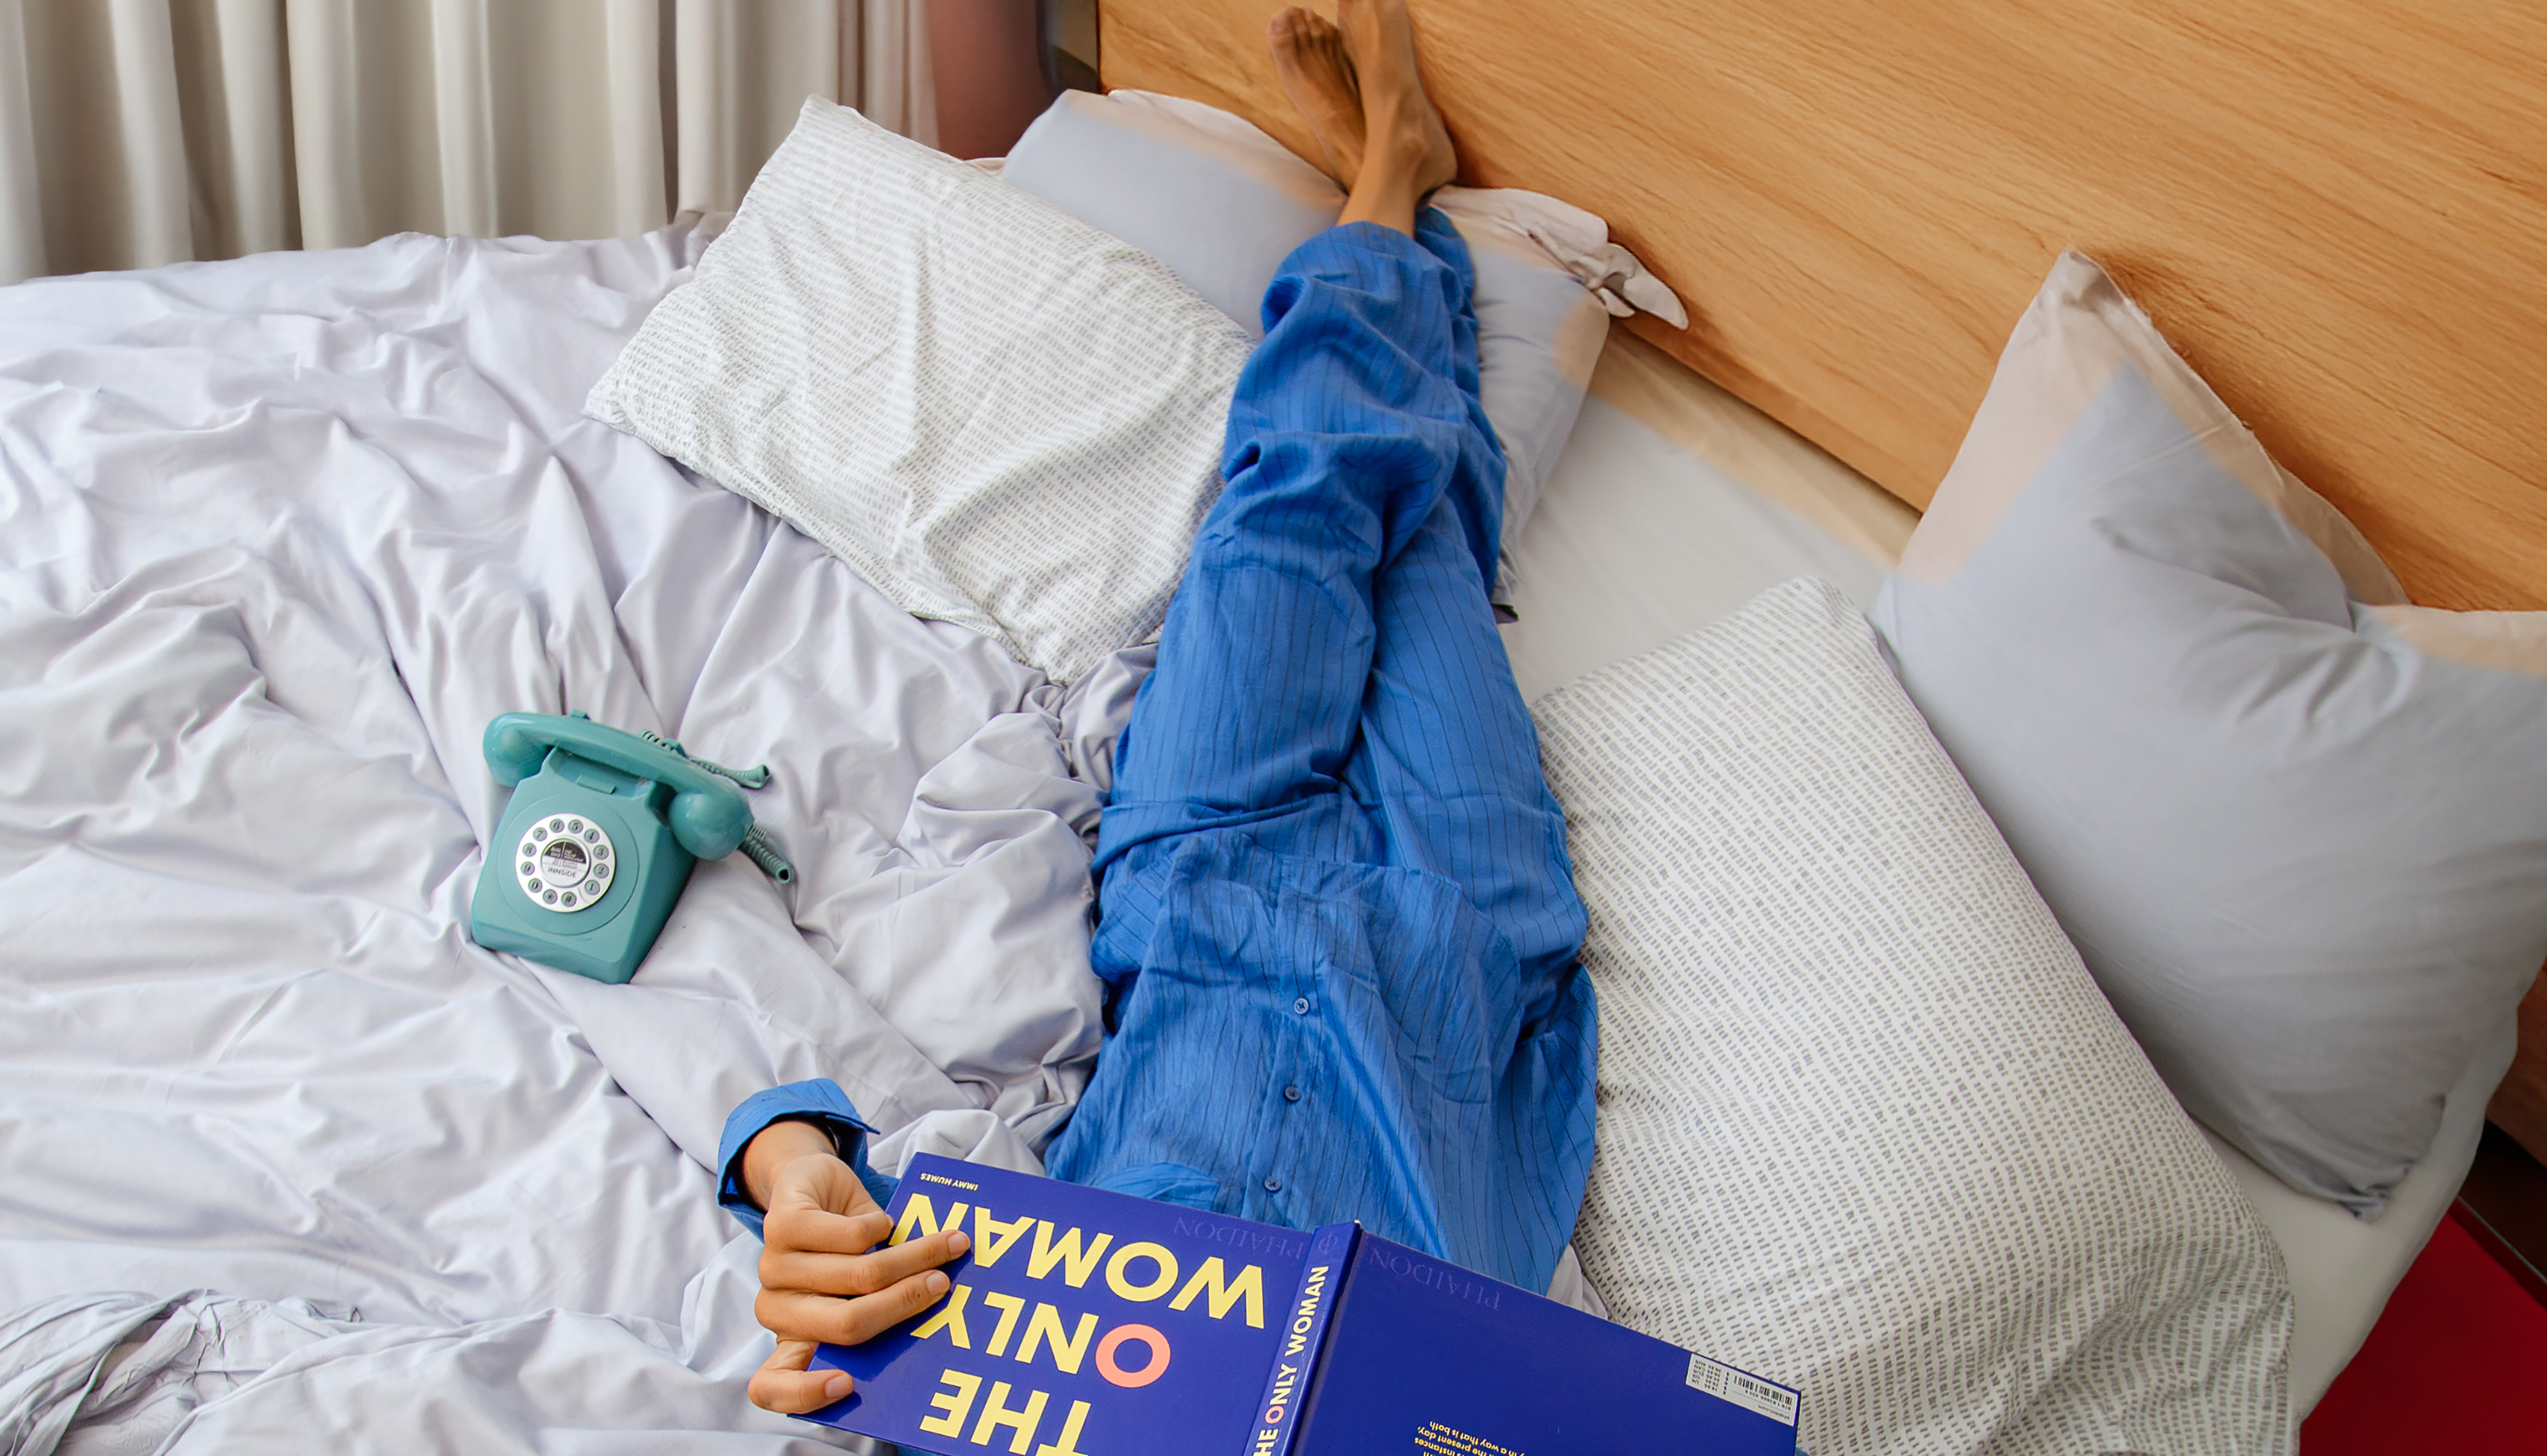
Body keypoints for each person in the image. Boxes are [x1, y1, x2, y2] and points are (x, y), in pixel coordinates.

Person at [718, 0, 1596, 1415]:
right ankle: (1395, 199)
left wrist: (786, 1166)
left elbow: (846, 1173)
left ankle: (1387, 183)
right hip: (1458, 917)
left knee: (1295, 504)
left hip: (1207, 865)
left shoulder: (979, 1420)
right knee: (1425, 537)